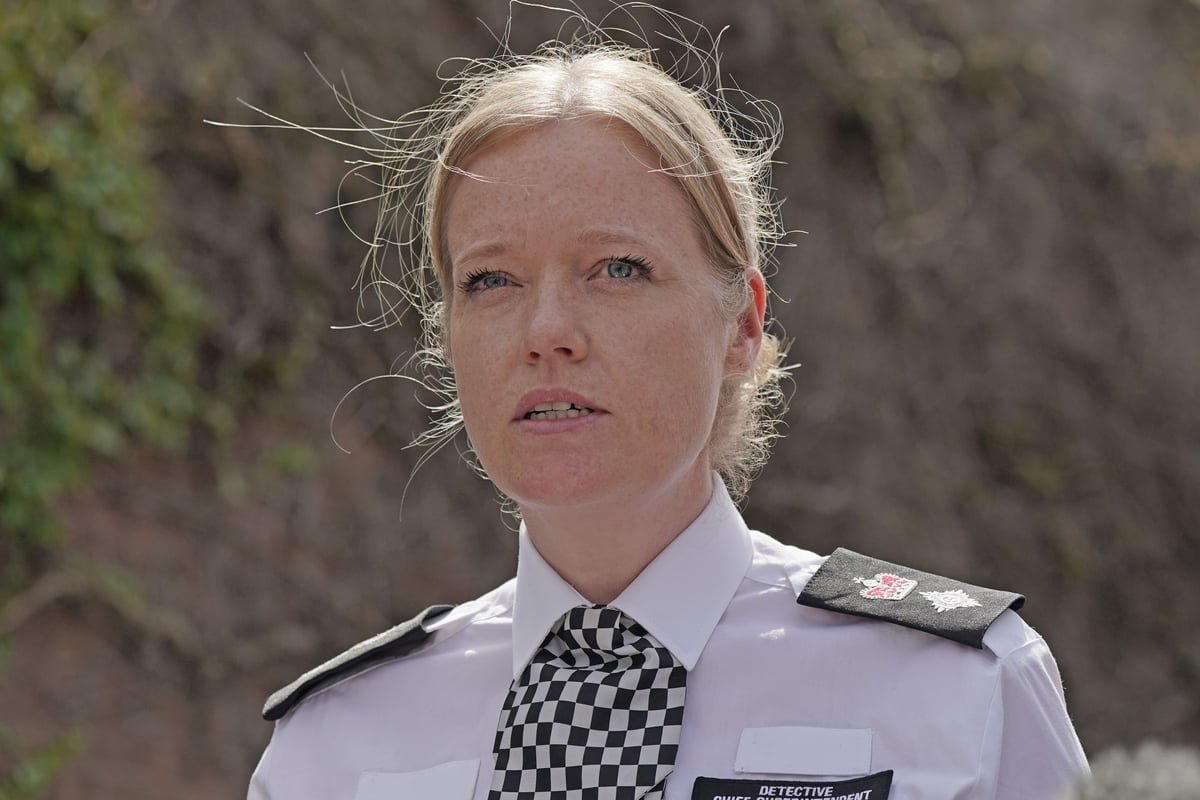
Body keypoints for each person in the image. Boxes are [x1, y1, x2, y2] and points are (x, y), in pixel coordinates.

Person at [246, 11, 1089, 800]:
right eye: (490, 280)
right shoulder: (334, 747)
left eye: (618, 268)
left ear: (742, 325)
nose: (547, 333)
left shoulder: (959, 688)